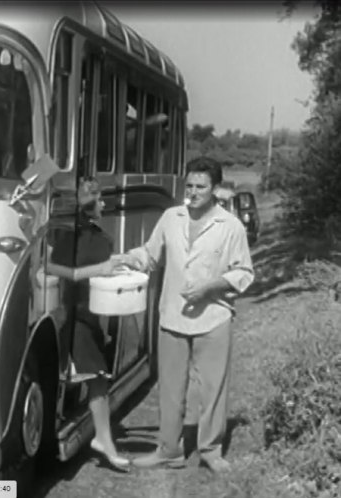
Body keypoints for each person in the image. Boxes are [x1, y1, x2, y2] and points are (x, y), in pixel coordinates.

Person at [118, 157, 254, 473]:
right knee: (170, 386)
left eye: (200, 187)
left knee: (212, 387)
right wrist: (128, 258)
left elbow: (244, 273)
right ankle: (168, 449)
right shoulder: (171, 217)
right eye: (189, 185)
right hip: (172, 317)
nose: (192, 192)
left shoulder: (230, 226)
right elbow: (151, 255)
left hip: (214, 317)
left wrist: (210, 288)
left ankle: (210, 450)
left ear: (215, 189)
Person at [46, 177, 131, 473]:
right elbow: (53, 267)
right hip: (72, 313)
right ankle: (105, 442)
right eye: (100, 199)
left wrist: (116, 266)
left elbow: (98, 270)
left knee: (96, 378)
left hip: (90, 312)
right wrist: (100, 269)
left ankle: (101, 439)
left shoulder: (101, 237)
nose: (106, 204)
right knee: (97, 378)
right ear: (89, 204)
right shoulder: (71, 235)